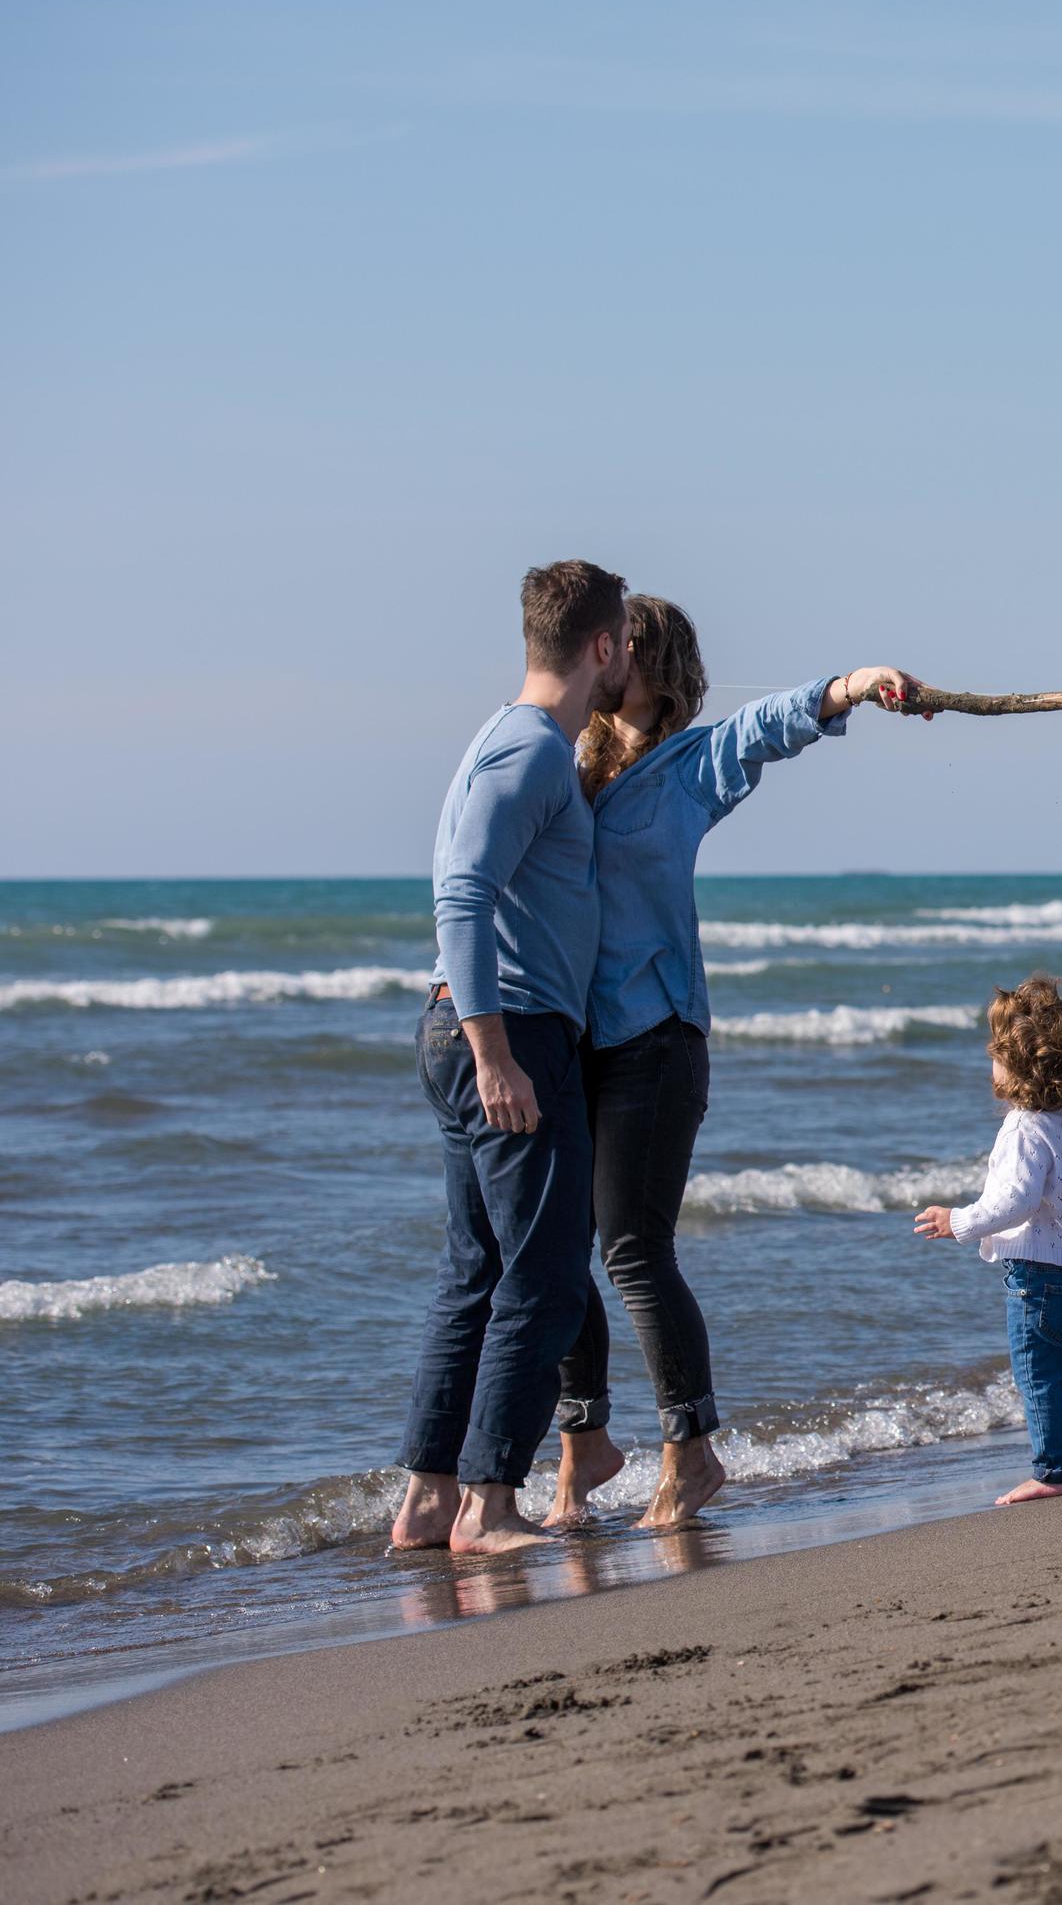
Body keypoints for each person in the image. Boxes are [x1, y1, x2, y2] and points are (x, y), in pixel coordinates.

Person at [542, 594, 927, 1531]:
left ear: (651, 659)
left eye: (621, 645)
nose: (605, 657)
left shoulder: (690, 765)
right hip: (573, 1035)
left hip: (659, 1036)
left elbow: (769, 727)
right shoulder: (570, 763)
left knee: (634, 1250)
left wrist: (852, 684)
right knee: (556, 1254)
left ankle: (693, 1453)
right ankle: (581, 1449)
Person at [395, 561, 633, 1556]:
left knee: (478, 1271)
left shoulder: (509, 739)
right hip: (506, 1032)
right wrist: (496, 1054)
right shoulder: (530, 751)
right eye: (625, 646)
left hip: (482, 1025)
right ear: (601, 648)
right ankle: (489, 1506)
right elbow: (459, 895)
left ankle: (424, 1502)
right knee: (540, 1276)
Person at [911, 978, 1062, 1506]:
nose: (990, 1067)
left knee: (1037, 1379)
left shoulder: (1025, 1128)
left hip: (1039, 1279)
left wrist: (958, 1221)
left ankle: (1051, 1472)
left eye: (995, 1056)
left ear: (1021, 1067)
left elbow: (1015, 1202)